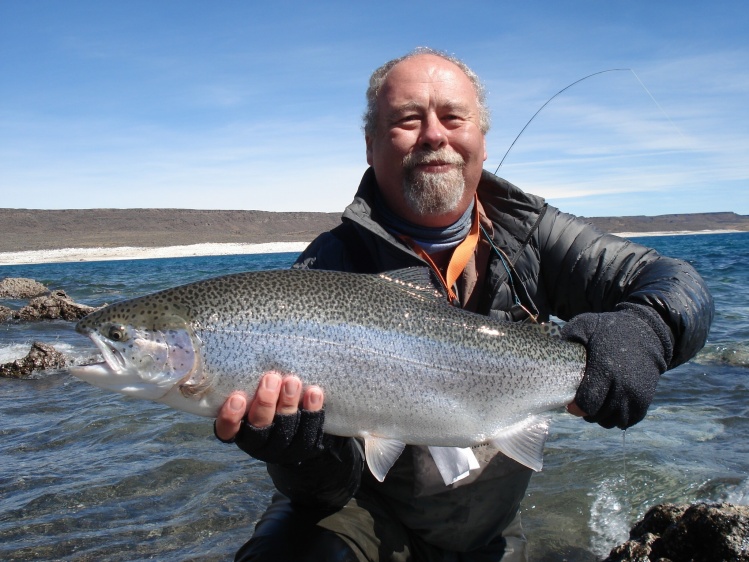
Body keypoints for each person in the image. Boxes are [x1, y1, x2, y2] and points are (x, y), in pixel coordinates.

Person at [214, 47, 714, 561]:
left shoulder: (533, 235)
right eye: (408, 120)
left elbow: (677, 281)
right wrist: (300, 453)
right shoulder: (327, 267)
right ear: (369, 145)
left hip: (486, 529)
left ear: (480, 137)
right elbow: (326, 492)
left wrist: (648, 328)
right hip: (358, 518)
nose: (434, 135)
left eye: (453, 117)